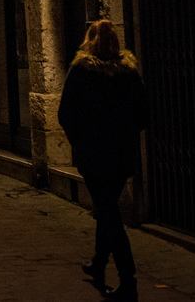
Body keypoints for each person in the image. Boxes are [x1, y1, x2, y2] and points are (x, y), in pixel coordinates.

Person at [59, 19, 149, 301]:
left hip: (94, 155)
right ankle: (98, 263)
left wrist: (81, 142)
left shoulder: (81, 71)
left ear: (90, 41)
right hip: (121, 157)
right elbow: (143, 115)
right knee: (106, 207)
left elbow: (65, 113)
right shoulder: (129, 73)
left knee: (108, 213)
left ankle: (128, 278)